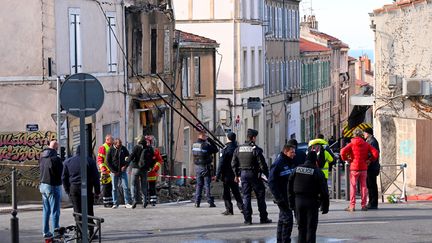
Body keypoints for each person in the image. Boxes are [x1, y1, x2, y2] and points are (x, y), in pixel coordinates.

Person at [232, 128, 272, 225]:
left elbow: (233, 163)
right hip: (254, 175)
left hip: (243, 174)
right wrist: (268, 176)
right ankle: (263, 217)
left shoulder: (238, 149)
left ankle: (247, 219)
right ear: (253, 138)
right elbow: (262, 165)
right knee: (260, 195)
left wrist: (236, 175)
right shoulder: (256, 149)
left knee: (246, 197)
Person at [288, 151, 329, 243]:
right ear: (315, 160)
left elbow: (289, 187)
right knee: (311, 228)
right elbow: (324, 191)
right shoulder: (317, 171)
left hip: (298, 201)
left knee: (301, 228)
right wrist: (325, 206)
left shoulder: (296, 169)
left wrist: (291, 203)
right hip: (312, 201)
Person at [62, 145, 101, 238]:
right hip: (87, 188)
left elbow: (64, 178)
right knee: (89, 210)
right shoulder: (90, 161)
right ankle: (91, 232)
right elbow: (96, 177)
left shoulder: (68, 161)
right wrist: (97, 191)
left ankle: (79, 232)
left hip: (74, 188)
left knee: (77, 211)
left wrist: (68, 190)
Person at [340, 129, 379, 211]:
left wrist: (347, 159)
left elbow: (342, 151)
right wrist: (370, 160)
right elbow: (376, 153)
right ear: (361, 135)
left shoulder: (351, 144)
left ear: (354, 135)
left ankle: (352, 206)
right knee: (364, 187)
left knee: (353, 187)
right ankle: (363, 205)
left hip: (354, 168)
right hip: (364, 168)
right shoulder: (366, 144)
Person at [268, 144, 297, 243]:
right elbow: (271, 182)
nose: (294, 154)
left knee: (282, 220)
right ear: (286, 152)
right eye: (292, 152)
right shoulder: (278, 163)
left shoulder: (290, 162)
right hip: (282, 198)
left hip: (288, 196)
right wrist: (278, 198)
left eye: (294, 152)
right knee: (288, 220)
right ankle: (285, 240)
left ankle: (280, 240)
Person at [39, 140, 63, 239]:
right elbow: (61, 173)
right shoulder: (56, 159)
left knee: (46, 210)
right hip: (52, 186)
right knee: (55, 211)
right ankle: (55, 232)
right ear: (56, 148)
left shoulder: (42, 157)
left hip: (43, 185)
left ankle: (45, 231)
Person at [215, 132, 244, 215]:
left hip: (226, 174)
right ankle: (242, 207)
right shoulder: (237, 148)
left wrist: (217, 175)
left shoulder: (225, 149)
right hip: (235, 174)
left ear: (228, 138)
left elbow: (221, 163)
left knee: (226, 193)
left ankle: (229, 209)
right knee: (236, 192)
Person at [127, 135, 156, 208]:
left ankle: (134, 200)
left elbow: (131, 156)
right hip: (145, 169)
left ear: (139, 140)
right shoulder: (149, 148)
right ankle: (144, 200)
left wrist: (126, 163)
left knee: (133, 185)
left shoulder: (136, 147)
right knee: (144, 185)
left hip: (135, 168)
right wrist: (150, 167)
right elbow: (153, 159)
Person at [192, 130, 219, 208]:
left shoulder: (194, 145)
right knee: (207, 185)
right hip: (205, 167)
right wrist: (210, 140)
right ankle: (210, 201)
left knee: (199, 185)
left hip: (197, 167)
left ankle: (197, 202)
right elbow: (216, 150)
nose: (206, 137)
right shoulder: (206, 145)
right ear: (202, 136)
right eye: (205, 136)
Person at [106, 138, 132, 209]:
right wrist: (113, 171)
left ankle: (127, 203)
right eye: (119, 145)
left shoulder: (123, 148)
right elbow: (107, 162)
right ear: (115, 144)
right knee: (114, 188)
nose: (120, 146)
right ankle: (115, 203)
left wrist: (125, 166)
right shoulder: (110, 150)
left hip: (123, 171)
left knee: (126, 187)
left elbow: (129, 157)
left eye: (121, 145)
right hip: (114, 172)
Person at [363, 127, 380, 210]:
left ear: (368, 133)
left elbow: (373, 154)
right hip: (371, 166)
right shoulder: (369, 141)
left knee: (372, 185)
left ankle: (373, 203)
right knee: (370, 185)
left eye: (365, 133)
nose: (364, 134)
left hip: (372, 167)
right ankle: (371, 202)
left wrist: (367, 160)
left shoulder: (372, 141)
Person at [146, 135, 164, 206]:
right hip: (144, 172)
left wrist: (155, 168)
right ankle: (145, 200)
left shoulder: (155, 151)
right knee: (144, 187)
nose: (147, 143)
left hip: (152, 172)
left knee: (152, 187)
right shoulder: (141, 150)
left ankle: (153, 200)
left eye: (148, 142)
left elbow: (159, 160)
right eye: (146, 142)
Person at [97, 134, 113, 207]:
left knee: (110, 187)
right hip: (105, 171)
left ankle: (110, 202)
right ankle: (106, 203)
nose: (112, 140)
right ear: (107, 140)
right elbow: (100, 160)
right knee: (106, 187)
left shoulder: (112, 147)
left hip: (111, 171)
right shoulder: (103, 147)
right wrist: (103, 169)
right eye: (111, 139)